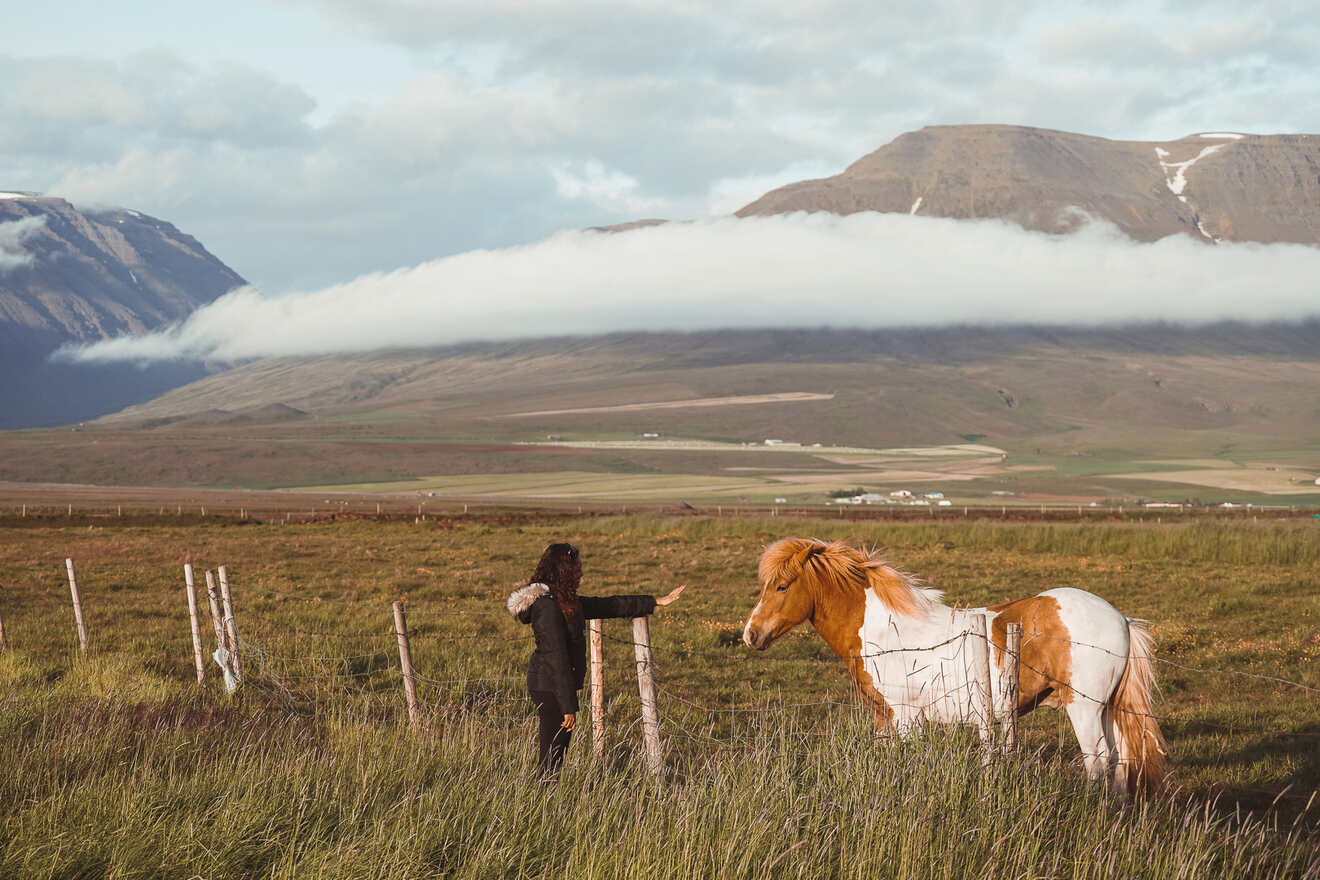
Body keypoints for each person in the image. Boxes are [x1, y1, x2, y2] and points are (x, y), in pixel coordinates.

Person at [506, 542, 685, 777]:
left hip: (554, 685)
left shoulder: (565, 603)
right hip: (550, 687)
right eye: (575, 567)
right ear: (563, 570)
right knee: (552, 756)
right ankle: (541, 801)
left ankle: (546, 797)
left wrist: (654, 601)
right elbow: (556, 658)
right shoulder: (548, 607)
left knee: (556, 753)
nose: (579, 572)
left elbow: (608, 605)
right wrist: (568, 707)